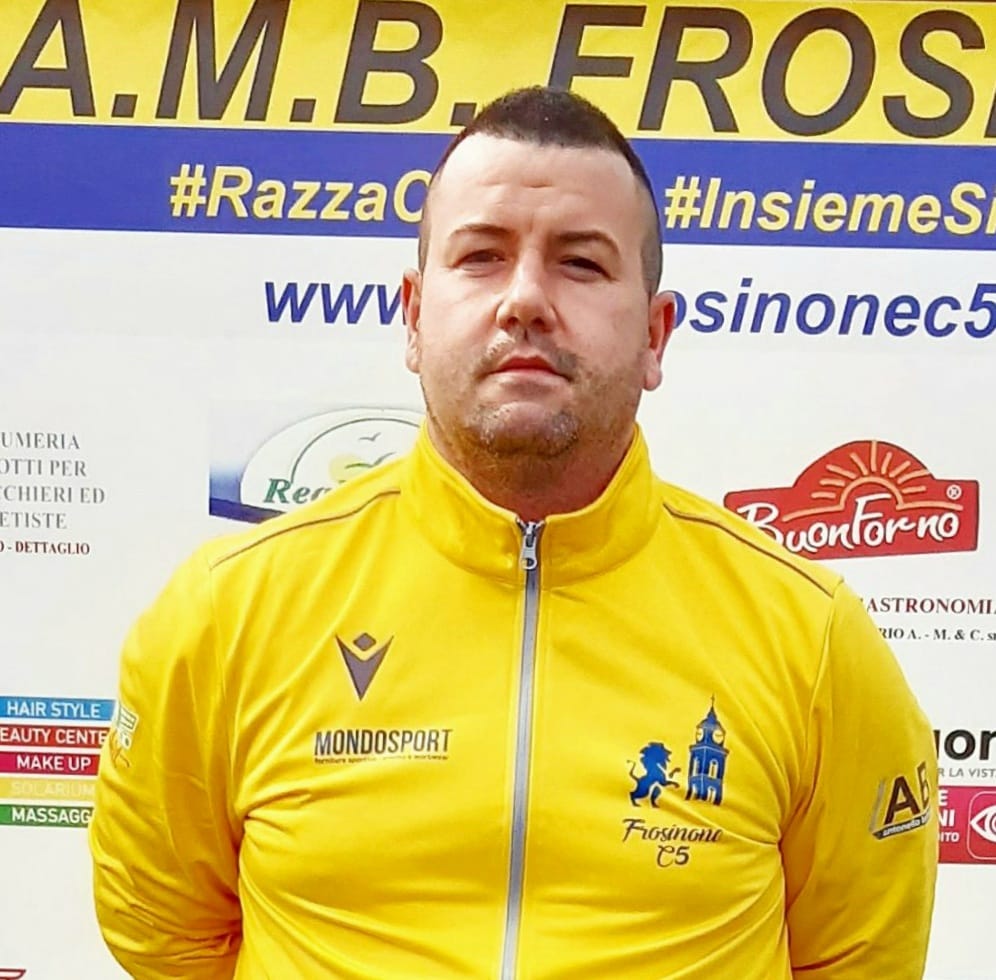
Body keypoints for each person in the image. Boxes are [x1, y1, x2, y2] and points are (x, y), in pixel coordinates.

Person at [90, 87, 937, 979]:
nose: (526, 298)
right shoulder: (227, 614)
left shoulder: (811, 639)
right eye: (482, 256)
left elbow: (861, 958)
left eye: (581, 264)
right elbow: (164, 935)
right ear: (414, 315)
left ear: (655, 335)